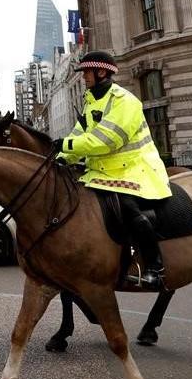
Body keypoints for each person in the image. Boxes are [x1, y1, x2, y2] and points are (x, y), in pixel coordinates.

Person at [52, 51, 171, 291]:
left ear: (101, 72)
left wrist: (65, 144)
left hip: (135, 169)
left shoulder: (125, 101)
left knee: (127, 207)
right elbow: (79, 134)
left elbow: (105, 141)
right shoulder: (90, 101)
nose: (84, 77)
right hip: (103, 172)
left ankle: (154, 267)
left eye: (86, 72)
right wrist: (60, 158)